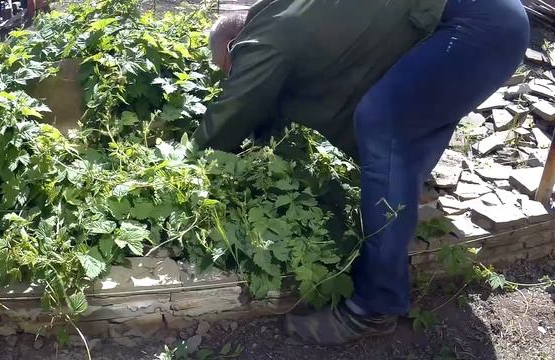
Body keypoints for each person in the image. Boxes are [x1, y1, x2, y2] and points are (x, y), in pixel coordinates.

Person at [192, 0, 529, 345]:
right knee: (396, 114)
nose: (235, 71)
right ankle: (399, 197)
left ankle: (372, 307)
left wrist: (194, 159)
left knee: (381, 122)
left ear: (235, 43)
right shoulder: (285, 11)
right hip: (489, 18)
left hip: (480, 26)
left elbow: (241, 102)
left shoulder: (264, 37)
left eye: (230, 67)